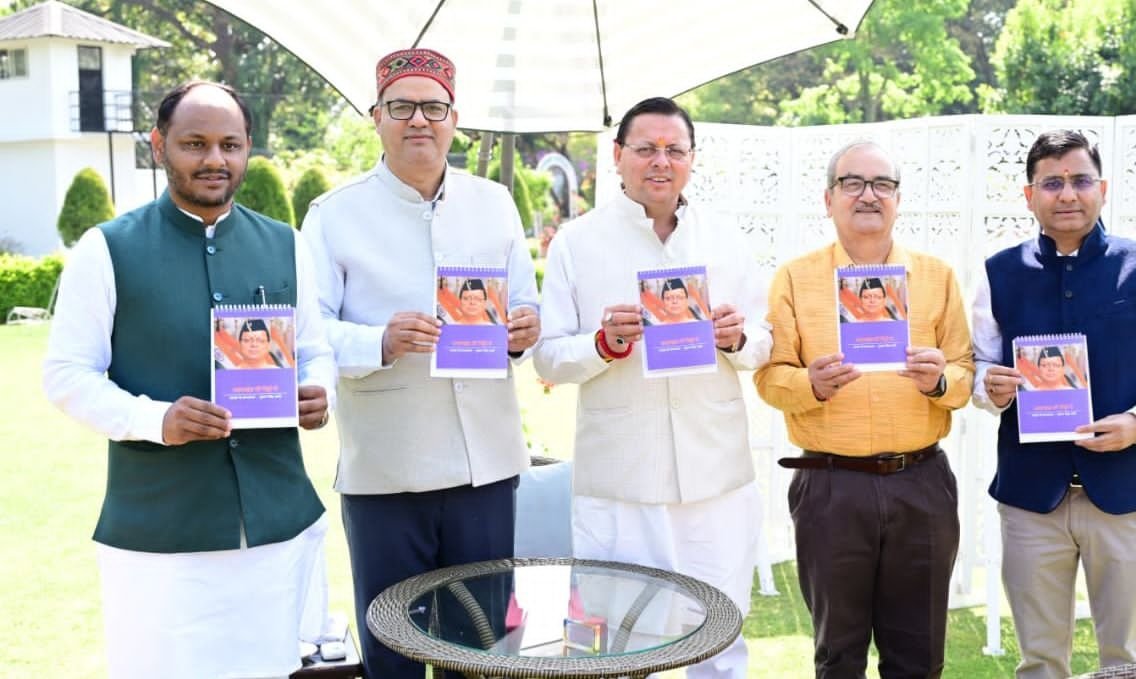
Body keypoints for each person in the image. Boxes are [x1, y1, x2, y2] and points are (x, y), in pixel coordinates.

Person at [42, 81, 336, 679]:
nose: (214, 159)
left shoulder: (287, 245)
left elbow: (315, 351)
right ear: (159, 146)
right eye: (194, 144)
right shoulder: (106, 249)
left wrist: (317, 389)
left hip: (275, 528)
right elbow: (66, 375)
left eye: (230, 144)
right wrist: (156, 420)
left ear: (248, 147)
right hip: (160, 535)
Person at [301, 47, 540, 679]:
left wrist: (523, 328)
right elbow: (310, 331)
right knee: (394, 651)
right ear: (375, 116)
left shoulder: (495, 202)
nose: (418, 120)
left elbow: (524, 303)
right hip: (387, 470)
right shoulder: (334, 214)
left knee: (481, 649)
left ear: (454, 119)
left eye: (433, 108)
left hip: (486, 466)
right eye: (402, 106)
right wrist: (379, 341)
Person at [534, 96, 772, 679]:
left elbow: (766, 342)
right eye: (645, 149)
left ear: (692, 157)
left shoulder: (725, 238)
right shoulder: (578, 242)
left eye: (674, 150)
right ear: (618, 156)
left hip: (714, 474)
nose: (660, 162)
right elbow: (548, 356)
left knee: (719, 637)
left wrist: (737, 338)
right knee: (619, 640)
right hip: (623, 479)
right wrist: (602, 344)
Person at [971, 130, 1136, 679]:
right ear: (1029, 195)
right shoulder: (997, 273)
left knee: (1129, 661)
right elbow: (978, 365)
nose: (1068, 194)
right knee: (1039, 661)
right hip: (1031, 499)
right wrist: (989, 386)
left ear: (1102, 189)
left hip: (1126, 495)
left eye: (1080, 180)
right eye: (1051, 183)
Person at [754, 140, 973, 679]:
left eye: (882, 185)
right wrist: (809, 384)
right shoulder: (795, 278)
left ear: (899, 198)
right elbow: (769, 377)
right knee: (838, 657)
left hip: (920, 484)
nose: (868, 195)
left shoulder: (937, 276)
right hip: (831, 488)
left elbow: (966, 373)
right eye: (852, 183)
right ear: (828, 199)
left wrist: (939, 380)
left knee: (919, 659)